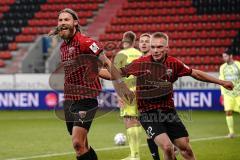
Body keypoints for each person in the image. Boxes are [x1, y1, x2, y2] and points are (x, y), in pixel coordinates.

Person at [118, 32, 234, 160]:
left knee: (185, 148)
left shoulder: (174, 63)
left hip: (168, 112)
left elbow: (195, 74)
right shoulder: (141, 63)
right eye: (153, 47)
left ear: (166, 48)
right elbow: (116, 73)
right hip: (148, 113)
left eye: (160, 47)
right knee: (167, 147)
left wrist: (221, 82)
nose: (156, 50)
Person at [49, 8, 134, 160]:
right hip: (69, 100)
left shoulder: (86, 43)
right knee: (82, 146)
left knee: (77, 144)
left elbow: (107, 63)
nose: (62, 23)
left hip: (86, 99)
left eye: (66, 20)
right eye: (60, 20)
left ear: (75, 22)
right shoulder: (63, 47)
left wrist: (123, 87)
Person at [114, 31, 143, 160]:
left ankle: (134, 155)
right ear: (134, 41)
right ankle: (135, 154)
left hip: (127, 91)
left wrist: (119, 94)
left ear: (124, 41)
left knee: (129, 120)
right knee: (137, 120)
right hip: (142, 91)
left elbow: (115, 76)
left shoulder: (120, 55)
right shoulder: (140, 54)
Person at [219, 50, 240, 138]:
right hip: (228, 93)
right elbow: (222, 81)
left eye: (225, 56)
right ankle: (231, 132)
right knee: (228, 112)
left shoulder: (238, 64)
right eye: (223, 57)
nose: (224, 58)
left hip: (238, 92)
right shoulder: (222, 67)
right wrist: (222, 94)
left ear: (231, 56)